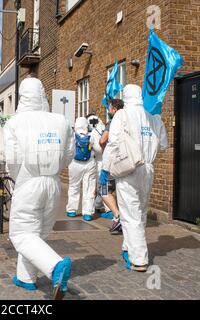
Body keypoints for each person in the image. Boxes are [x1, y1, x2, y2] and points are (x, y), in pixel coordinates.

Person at [3, 77, 75, 300]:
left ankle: (55, 266)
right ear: (43, 94)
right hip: (53, 182)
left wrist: (20, 179)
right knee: (37, 234)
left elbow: (12, 160)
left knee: (22, 234)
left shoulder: (15, 122)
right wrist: (54, 169)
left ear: (23, 96)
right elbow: (68, 154)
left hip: (29, 181)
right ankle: (26, 278)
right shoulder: (60, 120)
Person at [101, 84, 168, 272]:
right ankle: (128, 248)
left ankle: (139, 259)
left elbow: (113, 143)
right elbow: (163, 144)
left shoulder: (122, 115)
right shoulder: (153, 118)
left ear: (126, 96)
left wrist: (106, 169)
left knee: (130, 214)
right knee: (140, 211)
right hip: (148, 168)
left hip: (128, 168)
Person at [99, 99, 125, 234]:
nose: (108, 110)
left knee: (104, 190)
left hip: (111, 163)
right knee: (121, 191)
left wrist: (104, 150)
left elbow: (102, 140)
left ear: (114, 109)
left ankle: (117, 216)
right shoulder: (129, 121)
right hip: (126, 163)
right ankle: (123, 219)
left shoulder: (112, 123)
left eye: (109, 108)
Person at [66, 117, 97, 222]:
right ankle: (88, 213)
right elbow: (97, 149)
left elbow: (68, 150)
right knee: (89, 188)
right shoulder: (91, 135)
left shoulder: (72, 136)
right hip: (89, 163)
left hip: (75, 163)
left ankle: (72, 210)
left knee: (74, 186)